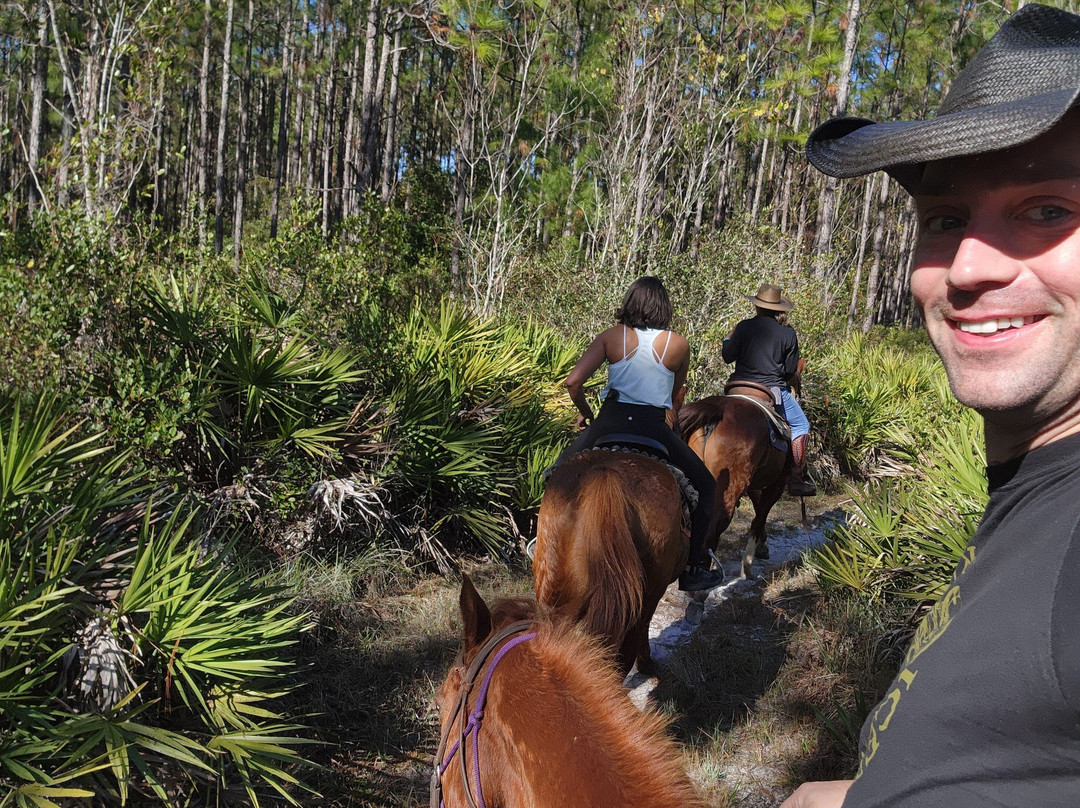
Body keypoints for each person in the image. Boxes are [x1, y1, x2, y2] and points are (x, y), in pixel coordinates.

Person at [784, 4, 1080, 807]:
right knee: (786, 424)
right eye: (945, 220)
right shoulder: (1035, 497)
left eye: (1049, 210)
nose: (966, 268)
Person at [554, 276, 725, 592]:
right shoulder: (678, 344)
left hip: (610, 421)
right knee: (706, 487)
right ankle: (694, 566)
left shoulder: (611, 337)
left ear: (630, 302)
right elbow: (675, 396)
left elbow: (573, 382)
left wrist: (587, 413)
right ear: (663, 307)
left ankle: (545, 545)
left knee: (555, 477)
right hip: (652, 426)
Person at [722, 283, 816, 496]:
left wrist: (728, 338)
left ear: (757, 306)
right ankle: (797, 479)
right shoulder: (787, 333)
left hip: (736, 388)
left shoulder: (743, 326)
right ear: (778, 309)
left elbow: (728, 356)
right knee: (801, 424)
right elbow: (791, 369)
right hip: (770, 390)